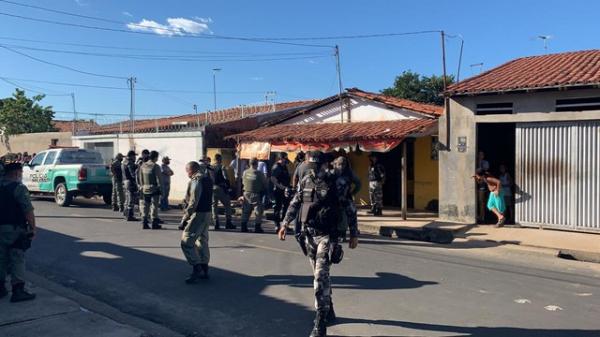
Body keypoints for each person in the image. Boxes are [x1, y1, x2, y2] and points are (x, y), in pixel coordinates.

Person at [277, 151, 359, 337]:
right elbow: (296, 202)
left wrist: (353, 233)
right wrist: (285, 224)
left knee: (320, 276)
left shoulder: (337, 183)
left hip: (328, 236)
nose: (311, 168)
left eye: (314, 165)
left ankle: (320, 322)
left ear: (324, 165)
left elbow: (349, 207)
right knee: (319, 274)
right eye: (309, 165)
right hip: (309, 235)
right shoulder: (306, 180)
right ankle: (328, 308)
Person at [0, 163, 37, 302]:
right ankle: (18, 290)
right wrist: (33, 228)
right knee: (17, 258)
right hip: (14, 229)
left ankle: (0, 288)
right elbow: (28, 210)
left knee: (1, 257)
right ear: (16, 174)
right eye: (20, 173)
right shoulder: (19, 188)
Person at [180, 161, 213, 283]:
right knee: (202, 241)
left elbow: (193, 201)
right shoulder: (207, 178)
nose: (187, 174)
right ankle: (205, 268)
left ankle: (196, 267)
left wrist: (184, 219)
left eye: (187, 171)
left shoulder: (196, 180)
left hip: (198, 214)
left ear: (191, 170)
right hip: (207, 213)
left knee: (186, 242)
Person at [240, 158, 268, 233]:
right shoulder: (259, 173)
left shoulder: (245, 172)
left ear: (249, 163)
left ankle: (243, 226)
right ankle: (257, 227)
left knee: (246, 211)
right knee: (258, 211)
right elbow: (265, 184)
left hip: (246, 193)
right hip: (255, 194)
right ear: (257, 164)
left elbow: (243, 182)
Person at [138, 150, 163, 229]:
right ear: (155, 157)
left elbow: (140, 178)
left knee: (145, 205)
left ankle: (144, 222)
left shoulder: (143, 165)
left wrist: (142, 187)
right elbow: (159, 179)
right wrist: (161, 189)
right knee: (154, 206)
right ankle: (154, 223)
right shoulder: (155, 166)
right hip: (154, 188)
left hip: (145, 188)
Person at [212, 154, 234, 230]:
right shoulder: (222, 167)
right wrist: (228, 187)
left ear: (214, 159)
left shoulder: (210, 167)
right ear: (220, 159)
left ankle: (216, 223)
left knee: (214, 206)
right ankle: (228, 222)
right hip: (220, 188)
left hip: (212, 188)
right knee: (227, 205)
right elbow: (225, 177)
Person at [271, 152, 291, 232]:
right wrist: (282, 187)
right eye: (285, 158)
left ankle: (284, 225)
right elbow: (273, 179)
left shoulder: (284, 166)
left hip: (285, 190)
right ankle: (277, 225)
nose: (286, 160)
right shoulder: (276, 167)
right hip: (278, 191)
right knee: (277, 208)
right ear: (281, 158)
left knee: (286, 208)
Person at [122, 151, 139, 221]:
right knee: (131, 199)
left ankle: (126, 213)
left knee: (127, 198)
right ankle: (130, 216)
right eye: (134, 156)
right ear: (131, 156)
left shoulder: (124, 162)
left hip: (125, 181)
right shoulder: (130, 163)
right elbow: (133, 174)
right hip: (130, 182)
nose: (135, 157)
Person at [477, 151, 491, 223]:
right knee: (479, 201)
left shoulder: (485, 162)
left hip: (483, 184)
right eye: (479, 154)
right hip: (476, 183)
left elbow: (485, 169)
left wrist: (480, 165)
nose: (480, 156)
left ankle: (482, 217)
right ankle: (480, 216)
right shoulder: (475, 161)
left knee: (482, 202)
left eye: (481, 154)